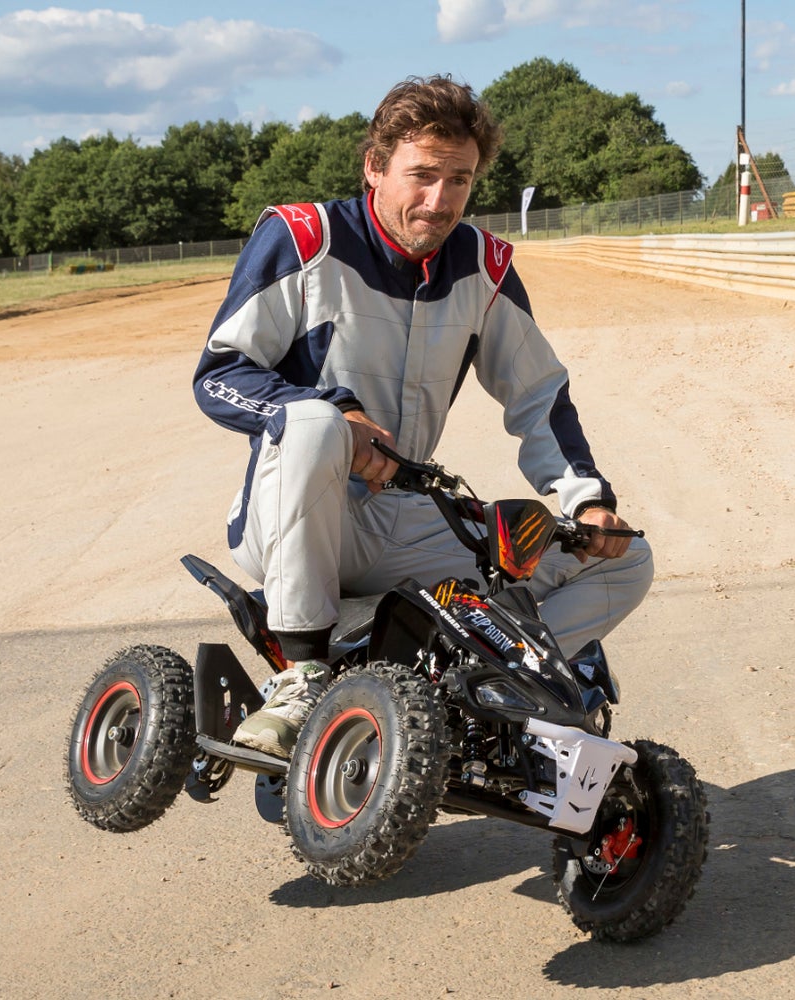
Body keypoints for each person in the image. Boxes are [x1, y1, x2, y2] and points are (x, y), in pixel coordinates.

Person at [191, 76, 653, 758]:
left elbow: (540, 396)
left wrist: (587, 502)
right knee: (319, 423)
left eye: (459, 180)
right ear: (375, 167)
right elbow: (219, 375)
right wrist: (330, 412)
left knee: (623, 560)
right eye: (422, 175)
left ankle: (478, 692)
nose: (439, 201)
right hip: (294, 513)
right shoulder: (305, 238)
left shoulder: (482, 266)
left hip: (403, 519)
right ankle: (303, 677)